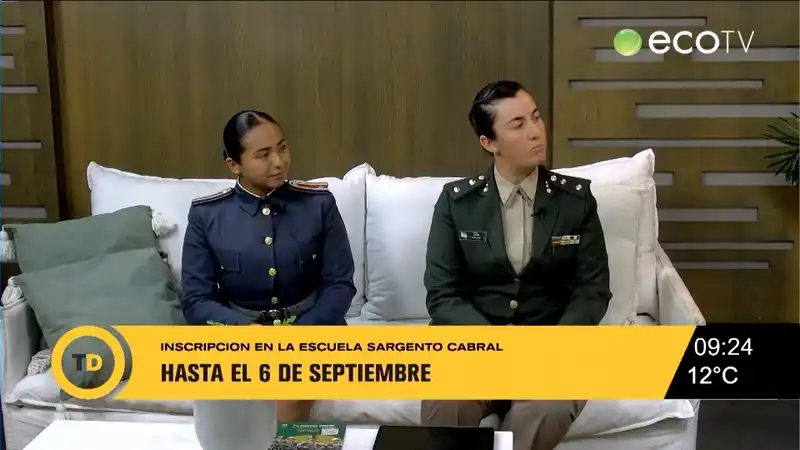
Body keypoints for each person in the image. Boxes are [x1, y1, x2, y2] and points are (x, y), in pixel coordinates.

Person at [420, 81, 612, 450]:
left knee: (546, 408)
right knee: (448, 403)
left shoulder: (575, 201)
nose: (536, 131)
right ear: (489, 142)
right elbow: (442, 295)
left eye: (536, 118)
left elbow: (593, 290)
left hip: (551, 347)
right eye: (518, 124)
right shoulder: (457, 203)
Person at [180, 110, 357, 422]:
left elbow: (339, 284)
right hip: (240, 334)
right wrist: (245, 332)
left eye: (282, 148)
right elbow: (196, 300)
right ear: (233, 164)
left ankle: (275, 437)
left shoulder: (318, 204)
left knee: (287, 394)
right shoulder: (207, 216)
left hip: (311, 331)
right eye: (263, 155)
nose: (279, 162)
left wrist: (300, 336)